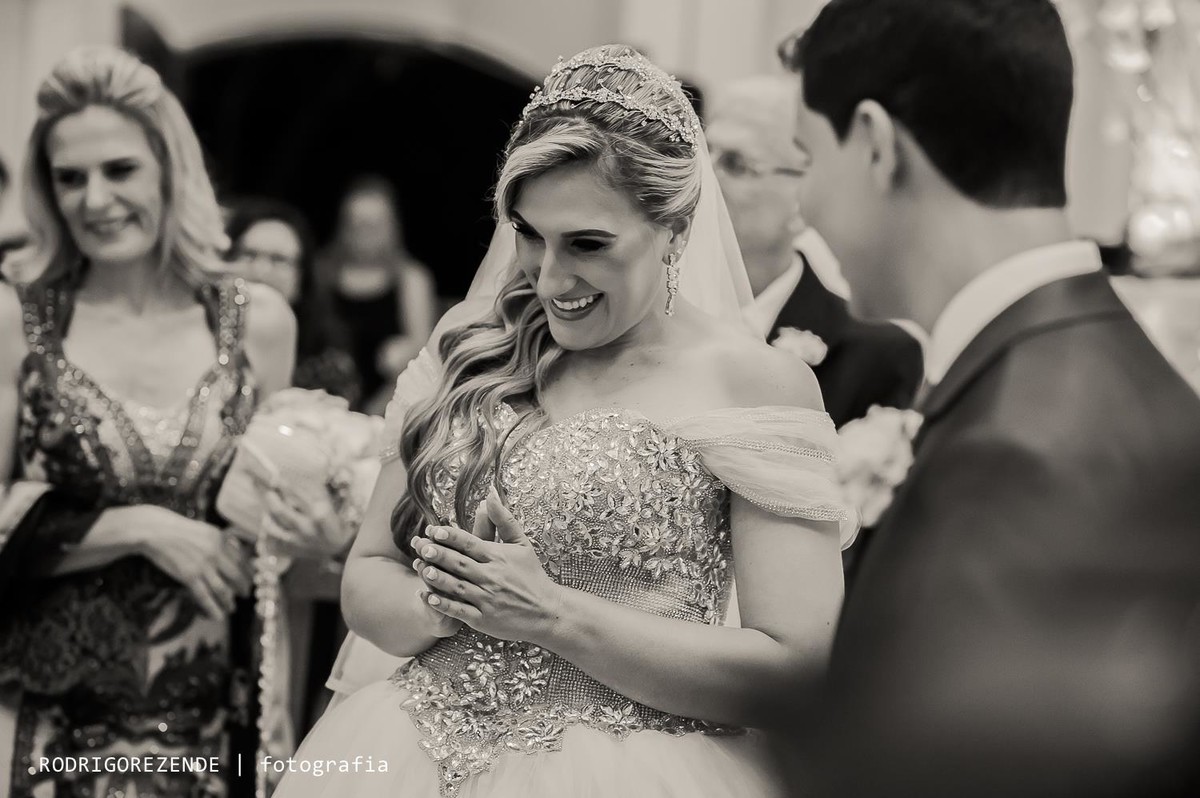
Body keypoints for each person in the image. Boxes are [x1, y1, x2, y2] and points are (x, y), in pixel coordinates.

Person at [273, 44, 855, 798]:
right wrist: (444, 606)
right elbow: (368, 574)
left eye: (587, 244)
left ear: (676, 230)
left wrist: (552, 615)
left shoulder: (754, 382)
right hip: (405, 754)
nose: (549, 280)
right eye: (528, 234)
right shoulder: (470, 345)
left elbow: (798, 671)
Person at [780, 1, 1200, 795]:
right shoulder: (1080, 363)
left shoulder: (1023, 457)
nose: (803, 208)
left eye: (807, 157)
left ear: (876, 144)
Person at [0, 46, 297, 798]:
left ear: (169, 168)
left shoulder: (257, 323)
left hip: (208, 715)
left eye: (120, 170)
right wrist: (139, 528)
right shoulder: (16, 322)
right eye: (70, 178)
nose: (94, 199)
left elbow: (273, 519)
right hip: (44, 721)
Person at [707, 75, 923, 429]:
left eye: (735, 163)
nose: (704, 180)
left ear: (803, 193)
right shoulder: (643, 320)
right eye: (703, 156)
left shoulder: (875, 356)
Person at [317, 176, 437, 410]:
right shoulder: (321, 274)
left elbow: (423, 348)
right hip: (324, 398)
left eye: (374, 226)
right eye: (357, 225)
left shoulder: (411, 278)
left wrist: (407, 349)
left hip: (386, 401)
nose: (365, 235)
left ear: (392, 227)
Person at [225, 198, 361, 405]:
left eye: (278, 259)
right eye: (248, 255)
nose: (260, 271)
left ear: (302, 278)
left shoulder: (328, 362)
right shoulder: (199, 336)